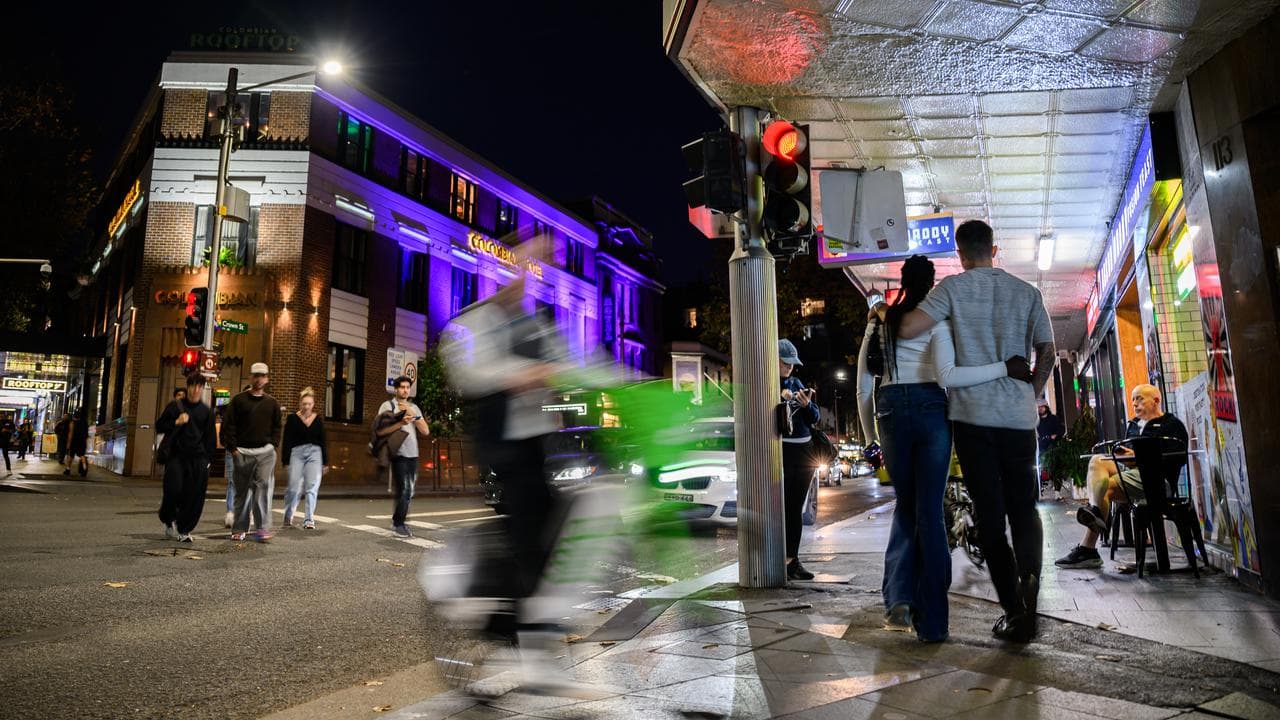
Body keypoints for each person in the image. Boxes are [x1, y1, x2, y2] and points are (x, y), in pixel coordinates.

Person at [892, 219, 1056, 642]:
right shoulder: (1028, 293)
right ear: (994, 250)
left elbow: (908, 329)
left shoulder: (952, 289)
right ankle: (1031, 582)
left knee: (990, 516)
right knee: (1024, 510)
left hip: (971, 419)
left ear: (961, 255)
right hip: (1019, 420)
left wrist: (886, 311)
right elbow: (1048, 351)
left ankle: (1013, 611)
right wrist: (1032, 391)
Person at [857, 254, 1032, 643]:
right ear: (933, 282)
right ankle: (933, 624)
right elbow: (948, 376)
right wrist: (1005, 367)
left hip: (889, 410)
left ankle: (900, 598)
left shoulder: (879, 322)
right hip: (932, 410)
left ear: (900, 281)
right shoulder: (936, 319)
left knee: (907, 504)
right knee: (930, 513)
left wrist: (871, 438)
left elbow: (862, 387)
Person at [1055, 384, 1188, 569]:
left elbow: (1177, 459)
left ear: (1156, 400)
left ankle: (1088, 548)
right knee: (1097, 460)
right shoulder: (1133, 426)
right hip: (1133, 474)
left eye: (1140, 398)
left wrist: (1137, 458)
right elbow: (1130, 458)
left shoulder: (1171, 425)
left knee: (1107, 487)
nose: (1134, 403)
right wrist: (1127, 455)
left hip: (1157, 480)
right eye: (1133, 399)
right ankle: (1094, 513)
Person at [222, 363, 282, 542]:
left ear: (267, 379)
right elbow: (228, 425)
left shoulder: (272, 403)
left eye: (262, 375)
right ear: (251, 377)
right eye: (256, 375)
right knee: (242, 491)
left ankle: (262, 528)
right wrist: (233, 449)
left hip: (265, 452)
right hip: (242, 451)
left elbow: (277, 427)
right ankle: (239, 528)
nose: (259, 379)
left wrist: (273, 445)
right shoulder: (239, 401)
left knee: (262, 489)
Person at [156, 372, 217, 542]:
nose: (195, 390)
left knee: (193, 495)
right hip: (176, 456)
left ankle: (184, 529)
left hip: (197, 459)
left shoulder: (207, 412)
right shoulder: (175, 407)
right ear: (188, 386)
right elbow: (159, 426)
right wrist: (176, 422)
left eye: (199, 386)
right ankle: (168, 518)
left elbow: (210, 439)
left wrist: (207, 461)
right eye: (192, 386)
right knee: (173, 489)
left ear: (202, 388)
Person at [778, 339, 820, 581]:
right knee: (782, 506)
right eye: (785, 363)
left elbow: (813, 417)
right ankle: (780, 558)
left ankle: (792, 560)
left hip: (804, 450)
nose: (789, 369)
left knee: (795, 506)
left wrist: (806, 404)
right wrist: (780, 396)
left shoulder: (797, 383)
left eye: (792, 365)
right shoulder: (765, 382)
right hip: (781, 450)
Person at [372, 376, 430, 537]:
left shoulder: (414, 407)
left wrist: (411, 412)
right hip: (398, 454)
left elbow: (425, 431)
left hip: (413, 454)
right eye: (402, 387)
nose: (405, 390)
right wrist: (401, 423)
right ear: (396, 389)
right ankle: (399, 523)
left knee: (408, 491)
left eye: (407, 387)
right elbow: (380, 431)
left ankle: (398, 520)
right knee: (404, 489)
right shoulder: (387, 406)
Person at [282, 387, 328, 530]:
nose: (306, 406)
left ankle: (309, 519)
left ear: (313, 404)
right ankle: (289, 515)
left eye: (309, 404)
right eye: (304, 403)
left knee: (311, 487)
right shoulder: (292, 419)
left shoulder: (318, 420)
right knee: (294, 487)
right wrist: (286, 460)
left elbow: (323, 441)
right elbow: (287, 440)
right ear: (300, 404)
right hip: (297, 453)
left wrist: (325, 462)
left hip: (315, 453)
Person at [220, 384, 251, 528]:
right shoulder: (232, 411)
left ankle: (246, 513)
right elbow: (224, 430)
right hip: (233, 450)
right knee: (233, 482)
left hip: (251, 452)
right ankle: (231, 513)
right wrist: (230, 446)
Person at [65, 409, 89, 476]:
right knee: (82, 455)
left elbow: (71, 433)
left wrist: (68, 444)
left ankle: (68, 469)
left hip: (74, 441)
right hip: (82, 441)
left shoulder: (72, 423)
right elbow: (87, 435)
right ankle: (84, 468)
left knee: (71, 455)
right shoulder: (85, 423)